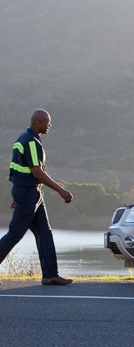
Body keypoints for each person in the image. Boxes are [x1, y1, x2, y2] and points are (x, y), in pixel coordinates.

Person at [0, 109, 74, 285]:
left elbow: (19, 171)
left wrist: (17, 193)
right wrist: (61, 190)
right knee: (15, 233)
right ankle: (50, 274)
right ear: (38, 123)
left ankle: (50, 275)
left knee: (44, 233)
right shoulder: (31, 142)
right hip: (28, 193)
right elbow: (37, 172)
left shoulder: (22, 139)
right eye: (47, 122)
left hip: (29, 193)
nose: (50, 125)